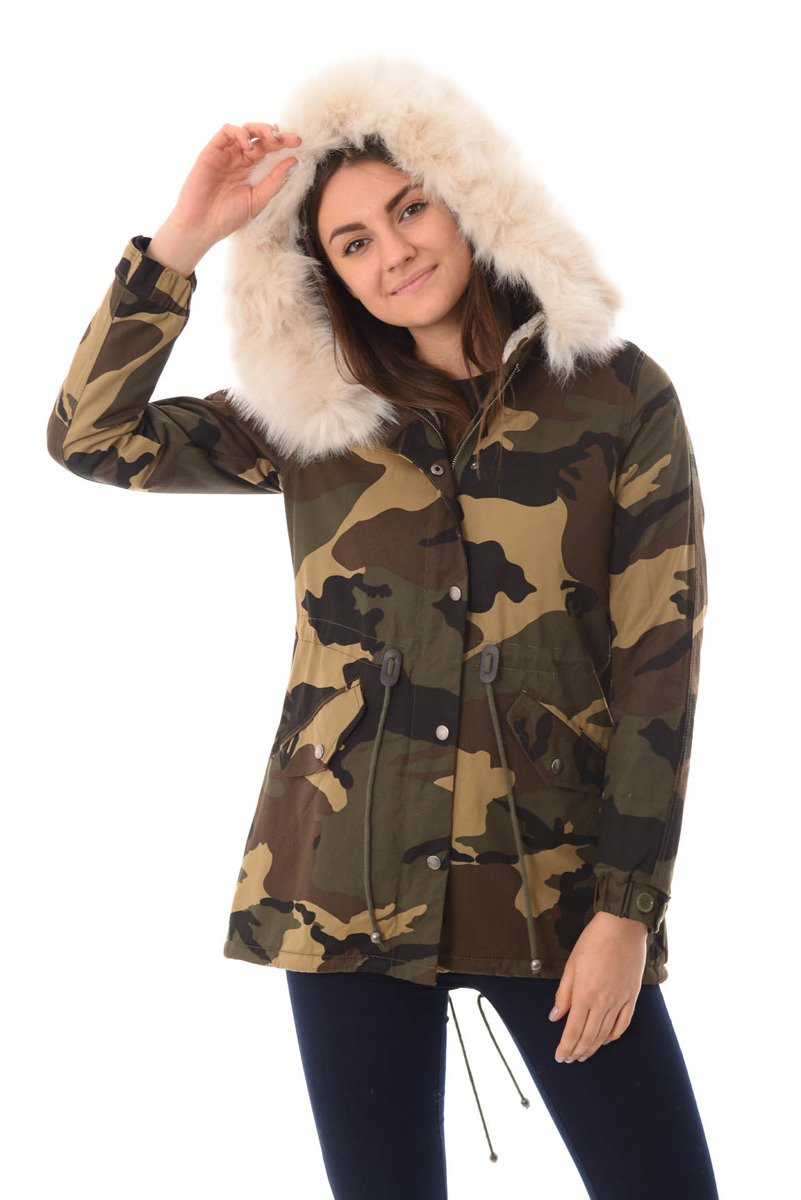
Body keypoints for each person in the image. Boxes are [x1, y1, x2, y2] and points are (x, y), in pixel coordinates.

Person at [46, 55, 718, 1200]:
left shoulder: (613, 395)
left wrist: (627, 914)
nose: (393, 252)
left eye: (410, 209)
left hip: (551, 888)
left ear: (467, 196)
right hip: (340, 890)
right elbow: (91, 438)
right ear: (328, 273)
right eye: (352, 241)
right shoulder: (310, 417)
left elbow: (660, 667)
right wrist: (184, 241)